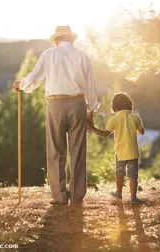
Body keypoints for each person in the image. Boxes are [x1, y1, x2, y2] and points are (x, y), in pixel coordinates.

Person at [12, 25, 100, 205]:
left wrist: (20, 84)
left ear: (56, 39)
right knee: (78, 151)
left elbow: (34, 79)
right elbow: (91, 88)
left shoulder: (49, 54)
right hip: (78, 104)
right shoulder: (83, 57)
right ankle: (76, 197)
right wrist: (91, 110)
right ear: (71, 39)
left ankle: (60, 196)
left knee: (56, 150)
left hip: (56, 104)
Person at [87, 92, 144, 203]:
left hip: (120, 153)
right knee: (133, 175)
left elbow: (105, 134)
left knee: (119, 174)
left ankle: (118, 193)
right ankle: (133, 198)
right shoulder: (135, 117)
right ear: (129, 105)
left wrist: (92, 128)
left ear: (114, 107)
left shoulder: (114, 119)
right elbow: (142, 132)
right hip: (133, 152)